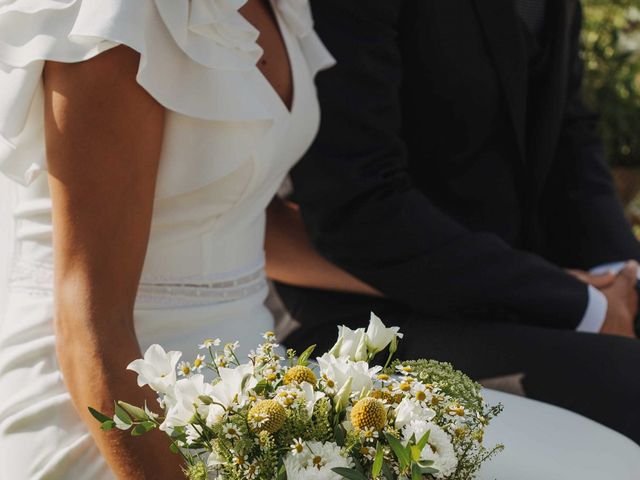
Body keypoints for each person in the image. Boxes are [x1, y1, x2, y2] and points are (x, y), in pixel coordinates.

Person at [268, 0, 640, 442]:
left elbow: (567, 128)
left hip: (527, 282)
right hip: (373, 315)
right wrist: (580, 306)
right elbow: (359, 208)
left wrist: (621, 276)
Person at [0, 0, 334, 477]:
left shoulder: (278, 7)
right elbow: (88, 321)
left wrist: (447, 285)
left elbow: (235, 211)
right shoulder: (115, 18)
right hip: (115, 412)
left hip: (259, 387)